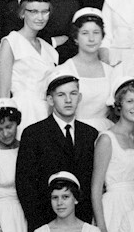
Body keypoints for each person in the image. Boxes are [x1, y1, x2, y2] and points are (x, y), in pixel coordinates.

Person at [15, 74, 99, 228]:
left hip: (82, 222)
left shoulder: (90, 134)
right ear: (50, 100)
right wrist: (40, 225)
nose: (68, 100)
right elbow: (25, 185)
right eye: (61, 95)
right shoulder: (34, 133)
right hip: (45, 223)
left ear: (80, 97)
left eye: (73, 94)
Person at [91, 78, 134, 232]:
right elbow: (96, 188)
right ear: (119, 105)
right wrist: (102, 229)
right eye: (130, 101)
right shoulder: (107, 139)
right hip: (114, 207)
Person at [0, 0, 63, 137]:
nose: (40, 17)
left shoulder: (49, 49)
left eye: (45, 11)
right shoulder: (11, 42)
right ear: (22, 13)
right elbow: (3, 92)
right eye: (33, 11)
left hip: (46, 112)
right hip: (22, 111)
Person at [51, 9, 121, 138]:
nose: (91, 38)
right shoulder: (64, 70)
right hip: (73, 134)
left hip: (105, 133)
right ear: (75, 38)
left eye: (96, 32)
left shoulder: (111, 72)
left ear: (102, 36)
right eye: (85, 33)